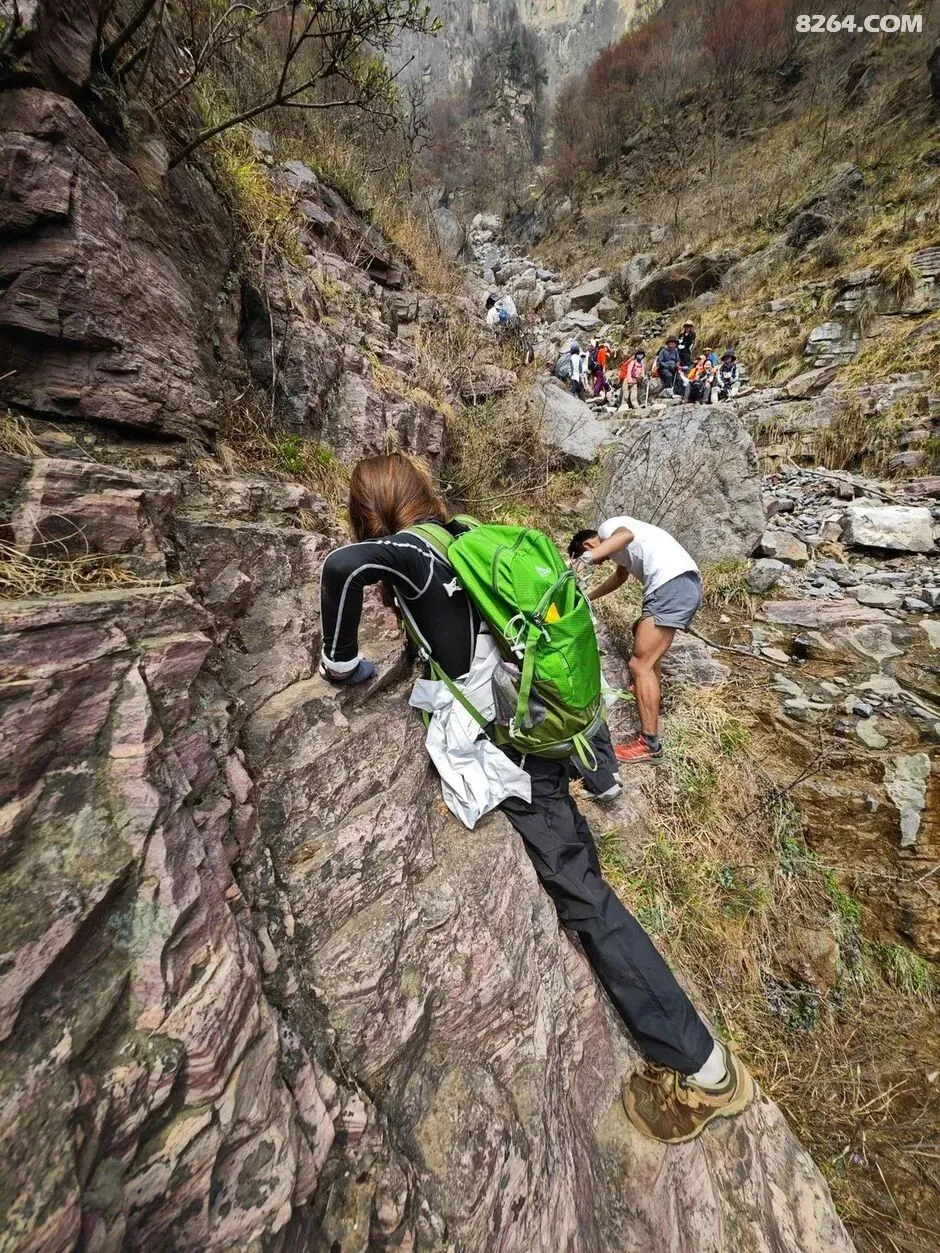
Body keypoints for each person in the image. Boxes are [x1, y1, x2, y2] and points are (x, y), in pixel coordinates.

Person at [320, 453, 754, 1142]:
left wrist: (341, 660)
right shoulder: (465, 533)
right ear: (423, 491)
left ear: (367, 511)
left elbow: (342, 567)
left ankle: (703, 1070)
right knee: (578, 859)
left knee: (585, 898)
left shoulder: (408, 552)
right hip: (540, 722)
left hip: (510, 748)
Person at [569, 517, 703, 765]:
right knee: (642, 638)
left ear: (588, 545)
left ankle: (649, 745)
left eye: (595, 558)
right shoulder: (621, 552)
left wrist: (586, 559)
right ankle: (650, 698)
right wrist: (587, 597)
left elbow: (625, 535)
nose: (599, 563)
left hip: (669, 586)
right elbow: (619, 578)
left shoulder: (609, 529)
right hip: (681, 584)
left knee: (639, 665)